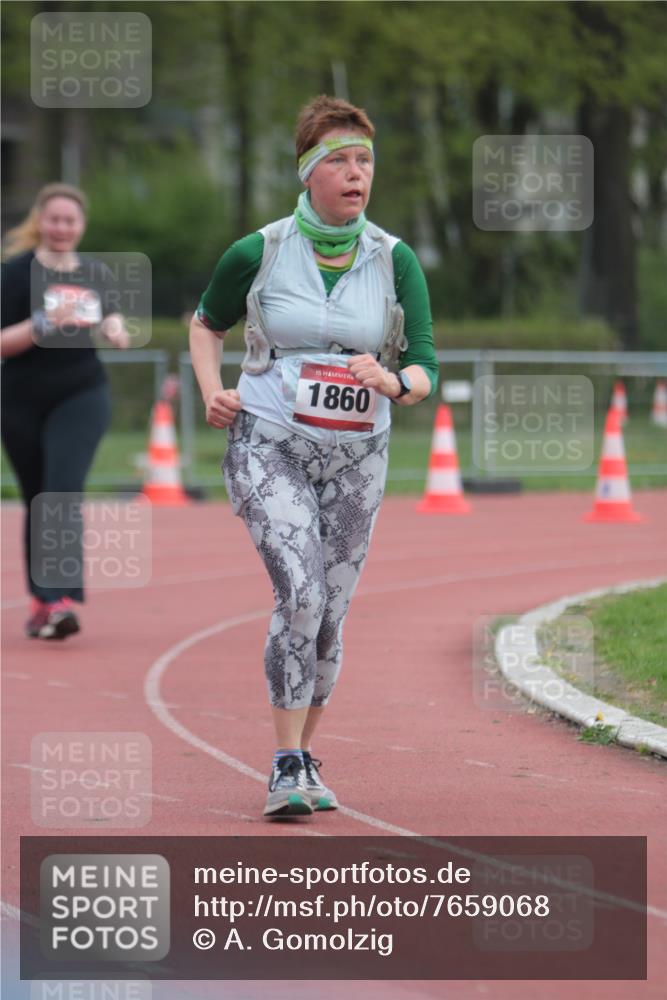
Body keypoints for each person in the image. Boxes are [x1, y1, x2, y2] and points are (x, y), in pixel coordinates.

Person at [189, 95, 438, 818]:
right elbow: (205, 325)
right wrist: (212, 389)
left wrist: (394, 382)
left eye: (364, 160)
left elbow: (423, 364)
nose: (355, 173)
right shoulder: (258, 251)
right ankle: (284, 762)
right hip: (270, 442)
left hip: (358, 458)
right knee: (298, 592)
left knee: (330, 613)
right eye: (338, 160)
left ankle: (300, 758)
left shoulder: (394, 260)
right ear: (307, 173)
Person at [1, 183, 130, 640]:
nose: (61, 228)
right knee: (38, 497)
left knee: (62, 490)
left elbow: (112, 318)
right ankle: (42, 602)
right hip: (20, 399)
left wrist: (115, 330)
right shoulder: (15, 274)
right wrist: (43, 324)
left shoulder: (93, 272)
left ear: (81, 226)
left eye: (70, 221)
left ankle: (57, 598)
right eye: (54, 219)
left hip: (81, 393)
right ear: (41, 220)